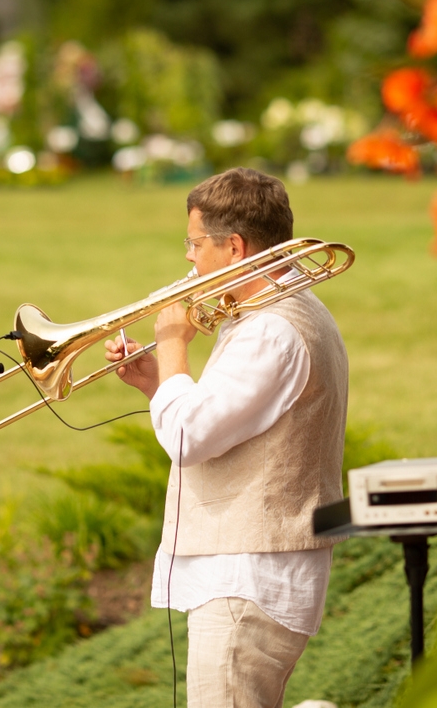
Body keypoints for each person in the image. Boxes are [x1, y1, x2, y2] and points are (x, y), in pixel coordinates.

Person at [105, 167, 348, 708]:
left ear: (234, 246)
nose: (188, 257)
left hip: (247, 577)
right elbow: (228, 419)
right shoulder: (279, 311)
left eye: (194, 243)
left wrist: (172, 345)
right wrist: (157, 381)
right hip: (250, 571)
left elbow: (188, 438)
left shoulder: (270, 328)